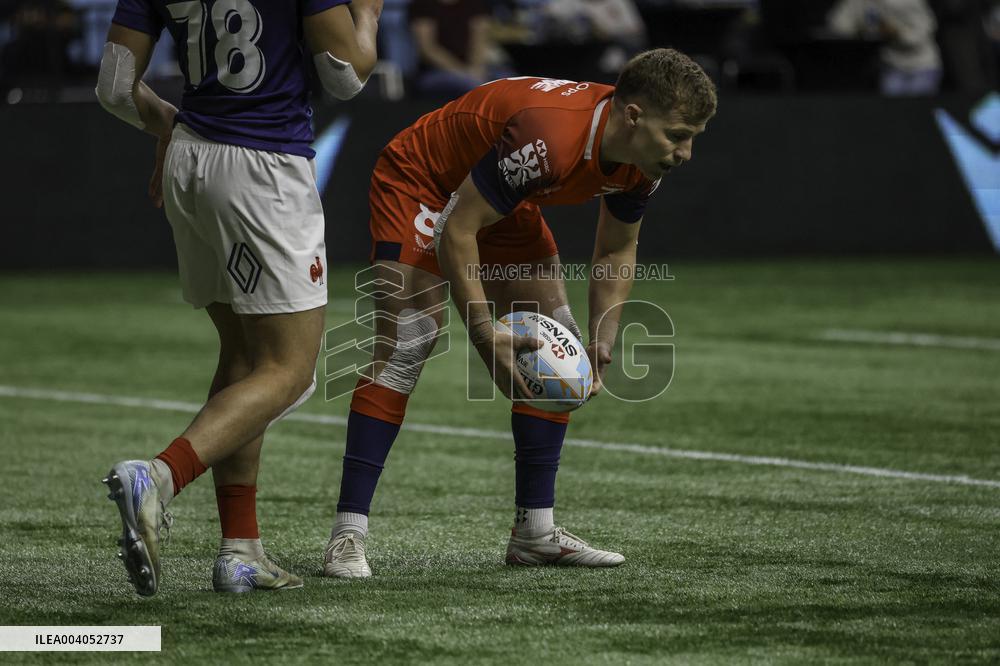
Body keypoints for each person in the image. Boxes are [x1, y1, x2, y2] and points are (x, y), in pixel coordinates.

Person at [322, 48, 716, 578]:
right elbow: (456, 229)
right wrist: (484, 333)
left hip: (497, 193)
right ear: (633, 115)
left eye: (693, 137)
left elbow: (616, 248)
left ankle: (534, 533)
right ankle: (347, 536)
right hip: (422, 179)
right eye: (678, 135)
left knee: (562, 347)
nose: (686, 151)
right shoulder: (552, 139)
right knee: (409, 343)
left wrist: (601, 339)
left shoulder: (643, 161)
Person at [95, 0, 381, 595]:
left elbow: (115, 86)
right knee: (290, 371)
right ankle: (157, 477)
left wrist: (169, 125)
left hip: (191, 158)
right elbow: (345, 76)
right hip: (263, 170)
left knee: (244, 361)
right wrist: (371, 13)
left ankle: (240, 550)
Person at [827, 0, 943, 96]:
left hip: (921, 64)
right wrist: (858, 29)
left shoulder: (906, 2)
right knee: (892, 112)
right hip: (891, 65)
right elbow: (837, 24)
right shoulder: (859, 2)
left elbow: (923, 33)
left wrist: (897, 32)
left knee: (916, 111)